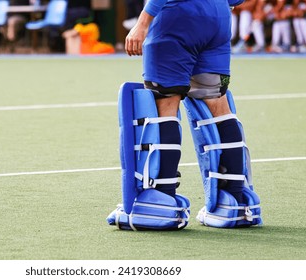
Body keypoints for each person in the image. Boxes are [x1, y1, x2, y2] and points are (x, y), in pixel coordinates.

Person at [107, 0, 262, 230]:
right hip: (218, 18)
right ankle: (234, 201)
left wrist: (142, 22)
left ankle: (159, 199)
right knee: (217, 105)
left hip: (177, 18)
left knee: (165, 101)